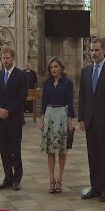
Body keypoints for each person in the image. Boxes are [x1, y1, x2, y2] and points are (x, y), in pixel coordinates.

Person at [78, 37, 105, 202]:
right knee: (92, 154)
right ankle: (94, 187)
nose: (93, 53)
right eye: (91, 50)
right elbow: (83, 96)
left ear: (104, 50)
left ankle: (103, 188)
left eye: (96, 50)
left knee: (104, 155)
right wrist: (81, 118)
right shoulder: (86, 71)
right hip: (89, 120)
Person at [0, 46, 28, 191]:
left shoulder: (21, 75)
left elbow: (22, 97)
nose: (5, 61)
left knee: (15, 149)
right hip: (1, 118)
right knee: (4, 149)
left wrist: (9, 111)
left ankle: (17, 178)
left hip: (14, 118)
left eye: (7, 58)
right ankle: (7, 177)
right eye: (3, 58)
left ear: (13, 58)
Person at [39, 56, 75, 194]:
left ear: (61, 68)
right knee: (50, 151)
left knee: (61, 150)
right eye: (51, 67)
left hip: (62, 116)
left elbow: (70, 103)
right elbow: (43, 104)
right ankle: (51, 180)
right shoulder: (47, 83)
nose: (53, 69)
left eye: (56, 67)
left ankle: (59, 180)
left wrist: (70, 121)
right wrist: (42, 121)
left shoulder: (67, 83)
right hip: (49, 116)